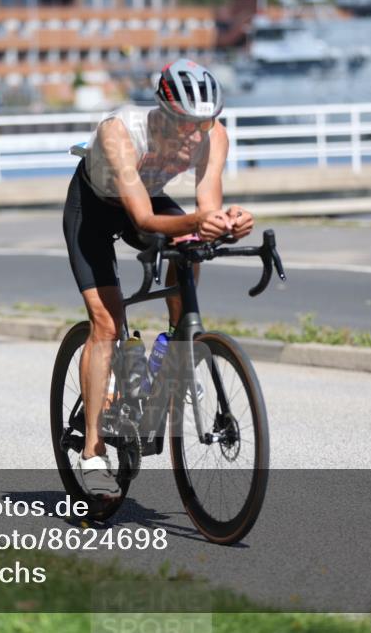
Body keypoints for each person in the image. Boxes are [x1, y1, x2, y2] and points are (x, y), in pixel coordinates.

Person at [62, 59, 255, 497]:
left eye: (204, 124)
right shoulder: (121, 131)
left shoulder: (212, 135)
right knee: (107, 325)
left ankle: (176, 353)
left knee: (193, 246)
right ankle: (92, 451)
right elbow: (144, 219)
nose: (195, 134)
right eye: (185, 124)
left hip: (146, 197)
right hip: (94, 209)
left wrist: (227, 222)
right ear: (162, 113)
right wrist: (201, 220)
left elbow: (206, 205)